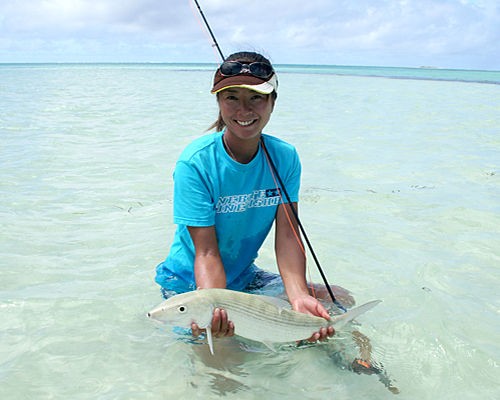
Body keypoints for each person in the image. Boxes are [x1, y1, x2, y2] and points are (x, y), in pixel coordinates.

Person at [154, 51, 352, 344]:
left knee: (338, 301)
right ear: (219, 102)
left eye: (256, 98)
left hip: (246, 276)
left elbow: (288, 234)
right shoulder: (195, 163)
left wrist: (298, 297)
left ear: (273, 102)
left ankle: (358, 365)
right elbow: (206, 252)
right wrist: (215, 307)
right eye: (231, 98)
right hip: (189, 285)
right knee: (223, 357)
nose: (243, 111)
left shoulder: (285, 157)